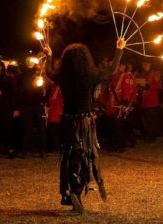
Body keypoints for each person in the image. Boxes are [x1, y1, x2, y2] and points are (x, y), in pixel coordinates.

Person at [45, 37, 125, 214]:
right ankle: (78, 191)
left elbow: (48, 72)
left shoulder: (62, 77)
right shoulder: (91, 75)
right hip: (84, 122)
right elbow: (112, 69)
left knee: (69, 159)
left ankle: (74, 196)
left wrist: (48, 56)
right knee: (85, 158)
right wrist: (119, 49)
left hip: (67, 121)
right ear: (85, 59)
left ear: (66, 60)